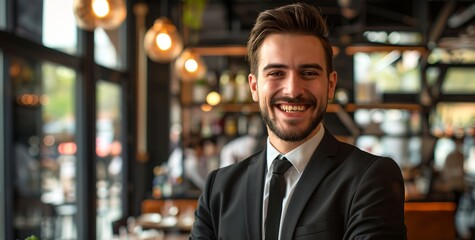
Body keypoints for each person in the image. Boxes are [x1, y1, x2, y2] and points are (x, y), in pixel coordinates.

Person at [190, 2, 406, 239]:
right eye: (276, 73)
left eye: (309, 73)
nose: (293, 90)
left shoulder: (370, 178)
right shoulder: (219, 188)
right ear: (254, 87)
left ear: (330, 85)